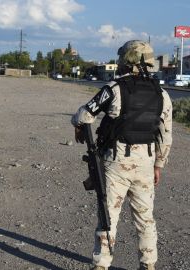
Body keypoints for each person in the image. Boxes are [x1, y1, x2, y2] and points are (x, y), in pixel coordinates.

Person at [72, 40, 172, 270]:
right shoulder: (162, 94)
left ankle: (101, 265)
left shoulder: (115, 89)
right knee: (145, 219)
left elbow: (84, 115)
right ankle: (148, 265)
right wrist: (159, 164)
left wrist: (77, 126)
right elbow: (166, 135)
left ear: (127, 60)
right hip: (146, 162)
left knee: (109, 218)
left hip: (116, 161)